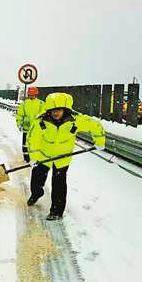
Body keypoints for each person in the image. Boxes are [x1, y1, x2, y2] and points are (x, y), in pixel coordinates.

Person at [26, 92, 105, 220]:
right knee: (37, 178)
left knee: (59, 183)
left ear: (65, 110)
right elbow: (32, 139)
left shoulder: (75, 121)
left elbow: (95, 125)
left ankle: (56, 212)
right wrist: (33, 157)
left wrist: (99, 142)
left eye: (58, 110)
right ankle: (36, 193)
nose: (55, 113)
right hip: (44, 155)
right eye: (53, 110)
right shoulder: (41, 122)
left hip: (62, 158)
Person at [15, 86, 45, 162]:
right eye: (30, 94)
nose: (31, 96)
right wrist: (19, 124)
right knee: (25, 145)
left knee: (35, 144)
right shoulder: (25, 104)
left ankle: (35, 158)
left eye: (32, 94)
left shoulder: (41, 104)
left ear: (36, 94)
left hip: (36, 129)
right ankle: (26, 159)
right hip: (26, 128)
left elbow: (44, 115)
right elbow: (19, 115)